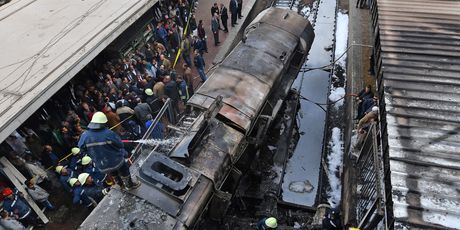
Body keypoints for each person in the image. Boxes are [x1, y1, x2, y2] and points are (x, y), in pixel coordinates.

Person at [78, 112, 140, 190]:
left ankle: (121, 185)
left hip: (102, 164)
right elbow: (120, 145)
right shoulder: (108, 133)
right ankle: (129, 185)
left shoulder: (84, 135)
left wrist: (93, 154)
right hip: (116, 160)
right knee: (124, 171)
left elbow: (81, 148)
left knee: (113, 172)